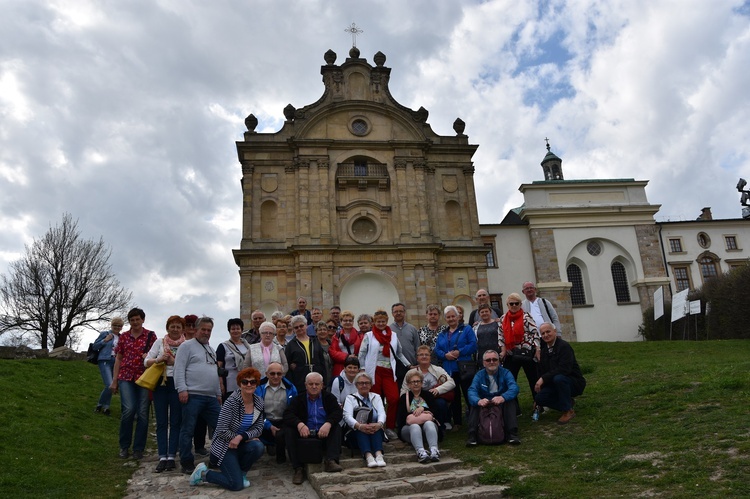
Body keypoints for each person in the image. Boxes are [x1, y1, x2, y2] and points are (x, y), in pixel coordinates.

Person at [189, 367, 265, 491]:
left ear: (257, 384)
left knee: (258, 447)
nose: (249, 385)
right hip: (225, 446)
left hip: (240, 443)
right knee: (236, 485)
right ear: (240, 384)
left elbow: (259, 428)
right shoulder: (232, 402)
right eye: (245, 382)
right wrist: (235, 438)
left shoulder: (259, 402)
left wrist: (242, 437)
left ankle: (241, 473)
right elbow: (221, 429)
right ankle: (204, 474)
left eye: (253, 382)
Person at [174, 316, 222, 474]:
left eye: (209, 330)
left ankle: (216, 458)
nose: (206, 333)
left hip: (211, 397)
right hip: (192, 394)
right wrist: (182, 389)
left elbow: (213, 373)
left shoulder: (211, 350)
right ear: (196, 330)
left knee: (221, 426)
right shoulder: (186, 346)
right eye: (204, 329)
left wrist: (218, 393)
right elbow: (179, 369)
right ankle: (187, 462)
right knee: (188, 429)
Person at [109, 308, 156, 460]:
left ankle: (138, 449)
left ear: (143, 320)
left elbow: (156, 355)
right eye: (132, 320)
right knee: (128, 410)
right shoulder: (124, 336)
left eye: (137, 319)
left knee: (143, 413)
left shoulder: (150, 336)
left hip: (144, 378)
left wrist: (148, 356)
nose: (135, 322)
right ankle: (124, 446)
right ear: (129, 322)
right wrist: (114, 380)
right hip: (126, 377)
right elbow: (119, 358)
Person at [358, 310, 412, 440]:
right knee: (376, 399)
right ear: (374, 323)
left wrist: (408, 365)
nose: (381, 323)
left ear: (387, 321)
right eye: (378, 321)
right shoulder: (369, 336)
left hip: (389, 371)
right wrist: (362, 370)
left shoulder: (393, 335)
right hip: (374, 371)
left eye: (383, 321)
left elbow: (399, 353)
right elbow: (362, 354)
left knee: (393, 398)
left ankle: (390, 427)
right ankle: (377, 426)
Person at [283, 372, 343, 485]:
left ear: (322, 385)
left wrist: (328, 423)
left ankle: (331, 460)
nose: (314, 387)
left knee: (336, 427)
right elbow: (287, 414)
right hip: (305, 434)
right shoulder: (298, 399)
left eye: (317, 384)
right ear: (305, 385)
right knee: (289, 431)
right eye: (311, 384)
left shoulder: (329, 397)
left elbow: (337, 413)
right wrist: (299, 424)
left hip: (323, 433)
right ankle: (298, 468)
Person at [144, 315, 186, 472]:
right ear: (167, 328)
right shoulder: (159, 342)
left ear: (182, 330)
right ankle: (162, 456)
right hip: (160, 383)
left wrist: (175, 362)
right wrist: (158, 359)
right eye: (172, 326)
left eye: (178, 327)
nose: (175, 329)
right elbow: (146, 361)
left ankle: (171, 456)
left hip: (177, 384)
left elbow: (189, 364)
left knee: (176, 421)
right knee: (161, 422)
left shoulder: (187, 344)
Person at [434, 305, 477, 428]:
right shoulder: (443, 333)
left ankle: (475, 419)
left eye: (453, 316)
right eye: (448, 317)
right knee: (454, 397)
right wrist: (445, 355)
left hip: (464, 368)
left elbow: (473, 345)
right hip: (449, 369)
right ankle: (457, 422)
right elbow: (437, 350)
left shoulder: (467, 329)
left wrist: (460, 352)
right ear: (445, 319)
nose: (451, 319)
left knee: (469, 394)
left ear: (458, 317)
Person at [534, 322, 586, 424]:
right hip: (555, 383)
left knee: (559, 378)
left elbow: (565, 369)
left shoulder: (564, 346)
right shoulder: (544, 352)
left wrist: (543, 379)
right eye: (543, 333)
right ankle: (567, 404)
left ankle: (567, 411)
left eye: (548, 331)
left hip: (572, 382)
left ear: (554, 331)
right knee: (539, 398)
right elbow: (544, 372)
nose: (546, 335)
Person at [466, 350, 521, 446]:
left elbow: (514, 388)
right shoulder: (479, 375)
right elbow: (471, 391)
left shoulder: (506, 372)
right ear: (484, 363)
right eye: (488, 360)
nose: (492, 362)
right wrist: (478, 401)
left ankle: (512, 434)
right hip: (485, 403)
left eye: (495, 359)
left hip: (500, 402)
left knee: (510, 401)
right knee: (474, 404)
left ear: (499, 361)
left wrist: (503, 397)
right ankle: (472, 436)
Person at [400, 345, 454, 431]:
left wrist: (438, 390)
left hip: (433, 399)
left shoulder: (438, 369)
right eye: (421, 355)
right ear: (417, 358)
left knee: (440, 403)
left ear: (430, 357)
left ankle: (443, 422)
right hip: (416, 399)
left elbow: (451, 383)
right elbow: (404, 390)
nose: (424, 356)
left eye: (426, 354)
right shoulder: (411, 372)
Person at [501, 292, 541, 404]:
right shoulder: (503, 318)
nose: (514, 305)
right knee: (510, 380)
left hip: (526, 352)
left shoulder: (526, 316)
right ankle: (514, 407)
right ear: (507, 304)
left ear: (520, 304)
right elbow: (501, 336)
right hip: (511, 353)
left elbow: (535, 333)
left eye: (516, 303)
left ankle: (538, 403)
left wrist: (537, 349)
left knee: (533, 379)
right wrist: (503, 350)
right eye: (511, 303)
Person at [342, 372, 387, 468]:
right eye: (361, 383)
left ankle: (379, 455)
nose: (364, 385)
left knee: (376, 427)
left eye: (367, 383)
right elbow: (347, 416)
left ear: (371, 385)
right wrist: (360, 426)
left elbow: (382, 413)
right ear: (356, 385)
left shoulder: (376, 397)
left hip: (375, 430)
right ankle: (368, 456)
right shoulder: (350, 398)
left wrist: (379, 424)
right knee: (361, 428)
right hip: (356, 432)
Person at [397, 369, 441, 463]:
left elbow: (436, 412)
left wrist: (423, 409)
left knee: (429, 423)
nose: (415, 384)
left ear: (421, 383)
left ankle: (434, 450)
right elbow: (401, 416)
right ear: (408, 384)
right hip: (409, 430)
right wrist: (415, 414)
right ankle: (420, 452)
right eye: (413, 382)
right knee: (415, 426)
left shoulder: (428, 395)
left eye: (418, 381)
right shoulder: (404, 398)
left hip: (428, 430)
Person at [256, 362, 297, 463]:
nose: (275, 376)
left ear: (283, 374)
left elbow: (293, 410)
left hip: (283, 420)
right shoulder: (257, 388)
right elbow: (256, 411)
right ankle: (268, 444)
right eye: (272, 373)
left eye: (279, 374)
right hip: (264, 420)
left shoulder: (291, 388)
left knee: (282, 434)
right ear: (266, 374)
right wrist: (268, 425)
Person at [285, 315, 328, 394]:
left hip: (316, 379)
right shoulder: (290, 345)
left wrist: (324, 380)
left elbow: (322, 362)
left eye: (301, 326)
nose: (299, 328)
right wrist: (290, 384)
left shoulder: (315, 341)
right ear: (293, 330)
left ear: (306, 326)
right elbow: (287, 366)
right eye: (296, 327)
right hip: (299, 381)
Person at [92, 317, 124, 415]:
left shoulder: (122, 337)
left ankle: (106, 407)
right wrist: (105, 340)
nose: (117, 327)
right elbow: (95, 346)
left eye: (119, 326)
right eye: (115, 325)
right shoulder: (105, 334)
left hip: (116, 362)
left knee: (112, 386)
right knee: (110, 384)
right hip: (105, 360)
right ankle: (99, 405)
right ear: (111, 325)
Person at [217, 318, 252, 402]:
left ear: (242, 330)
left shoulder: (248, 346)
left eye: (238, 328)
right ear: (229, 331)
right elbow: (218, 367)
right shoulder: (223, 346)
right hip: (230, 384)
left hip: (246, 383)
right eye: (233, 329)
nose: (235, 331)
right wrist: (220, 383)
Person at [391, 302, 420, 386]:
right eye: (396, 311)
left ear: (404, 313)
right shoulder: (389, 329)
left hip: (412, 365)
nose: (398, 313)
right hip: (396, 367)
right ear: (392, 314)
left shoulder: (412, 329)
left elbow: (417, 347)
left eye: (401, 311)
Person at [328, 310, 362, 378]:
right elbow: (332, 352)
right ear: (341, 322)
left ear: (353, 322)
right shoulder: (336, 336)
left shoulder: (360, 335)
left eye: (350, 320)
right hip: (340, 367)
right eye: (345, 321)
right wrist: (346, 357)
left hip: (355, 367)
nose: (348, 322)